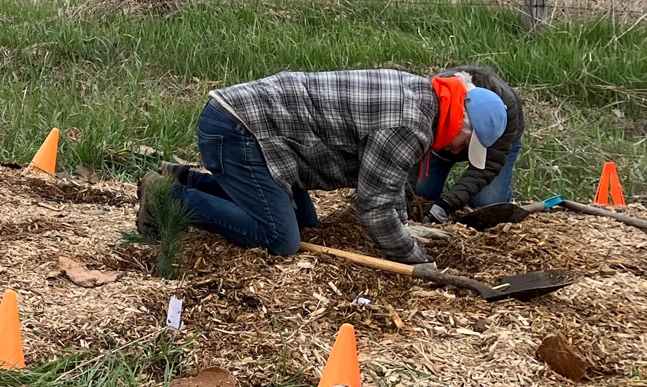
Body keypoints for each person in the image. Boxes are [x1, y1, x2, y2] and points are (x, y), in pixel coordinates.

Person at [141, 68, 508, 264]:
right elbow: (374, 208)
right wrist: (416, 261)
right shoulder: (409, 125)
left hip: (269, 135)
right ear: (463, 123)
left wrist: (405, 229)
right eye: (466, 143)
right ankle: (167, 197)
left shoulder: (425, 96)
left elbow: (388, 180)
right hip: (242, 129)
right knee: (280, 240)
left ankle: (180, 177)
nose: (460, 151)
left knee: (305, 224)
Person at [414, 64, 522, 219]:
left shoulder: (503, 120)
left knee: (487, 203)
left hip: (494, 148)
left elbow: (488, 167)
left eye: (468, 146)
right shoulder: (435, 99)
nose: (459, 152)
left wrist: (446, 204)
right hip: (440, 137)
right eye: (464, 144)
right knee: (422, 192)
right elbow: (412, 154)